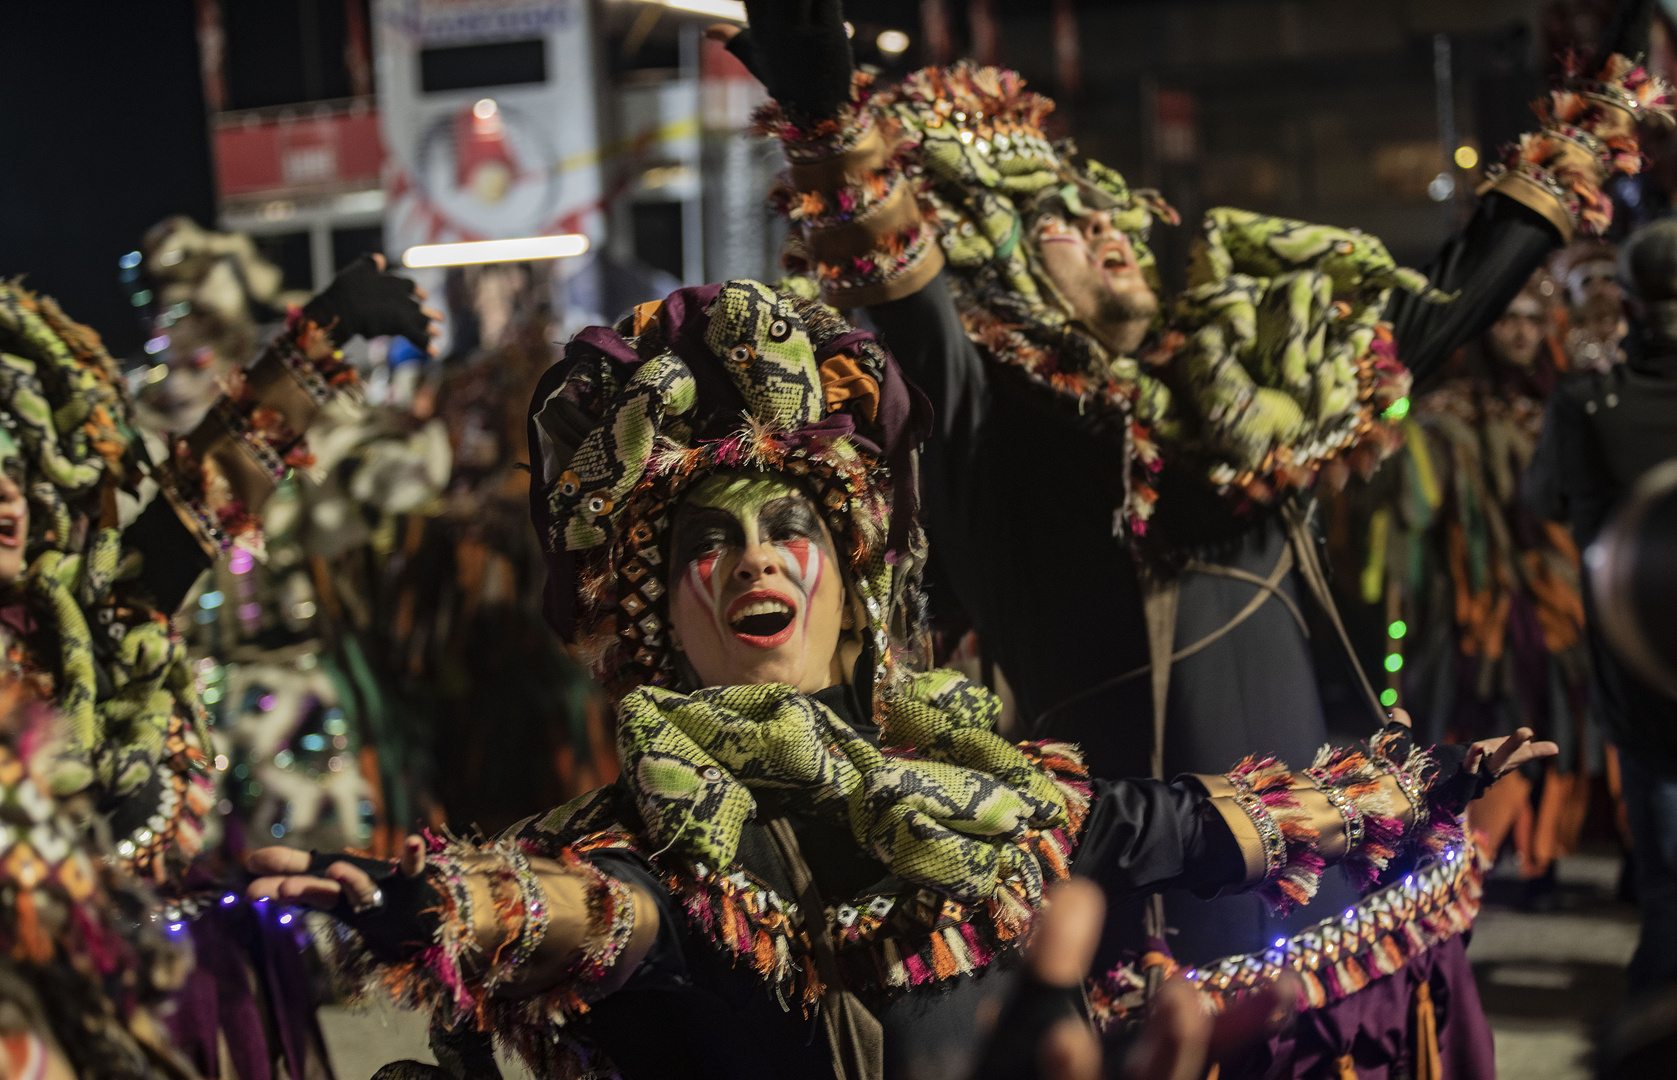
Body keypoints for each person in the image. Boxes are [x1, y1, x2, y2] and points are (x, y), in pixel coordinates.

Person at [245, 278, 1552, 1080]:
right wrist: (443, 902)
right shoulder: (672, 842)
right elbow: (596, 912)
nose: (754, 561)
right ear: (654, 615)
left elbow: (1175, 823)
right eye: (708, 545)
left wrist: (1411, 780)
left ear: (847, 569)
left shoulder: (965, 779)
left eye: (785, 528)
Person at [711, 0, 1665, 1065]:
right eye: (1061, 225)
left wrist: (1595, 116)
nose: (1110, 233)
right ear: (996, 268)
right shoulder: (989, 432)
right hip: (1155, 955)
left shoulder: (1248, 398)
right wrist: (828, 117)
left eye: (1110, 213)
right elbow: (907, 299)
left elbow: (1442, 308)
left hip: (1348, 929)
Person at [0, 255, 439, 1077]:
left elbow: (208, 486)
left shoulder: (98, 615)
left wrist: (317, 340)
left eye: (17, 467)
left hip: (168, 1004)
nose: (8, 498)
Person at [1323, 271, 1604, 901]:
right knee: (1483, 711)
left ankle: (1541, 858)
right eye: (1509, 319)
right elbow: (1416, 507)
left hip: (1554, 594)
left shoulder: (1562, 403)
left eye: (1535, 320)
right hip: (1473, 603)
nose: (1523, 333)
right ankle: (1478, 853)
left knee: (1553, 712)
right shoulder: (1442, 412)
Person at [1527, 216, 1677, 995]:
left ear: (1630, 301)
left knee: (1662, 852)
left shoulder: (1590, 403)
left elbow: (1542, 497)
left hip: (1640, 654)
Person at [1554, 239, 1628, 372]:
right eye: (1587, 281)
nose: (1599, 289)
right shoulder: (1563, 341)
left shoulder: (1636, 333)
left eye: (1608, 279)